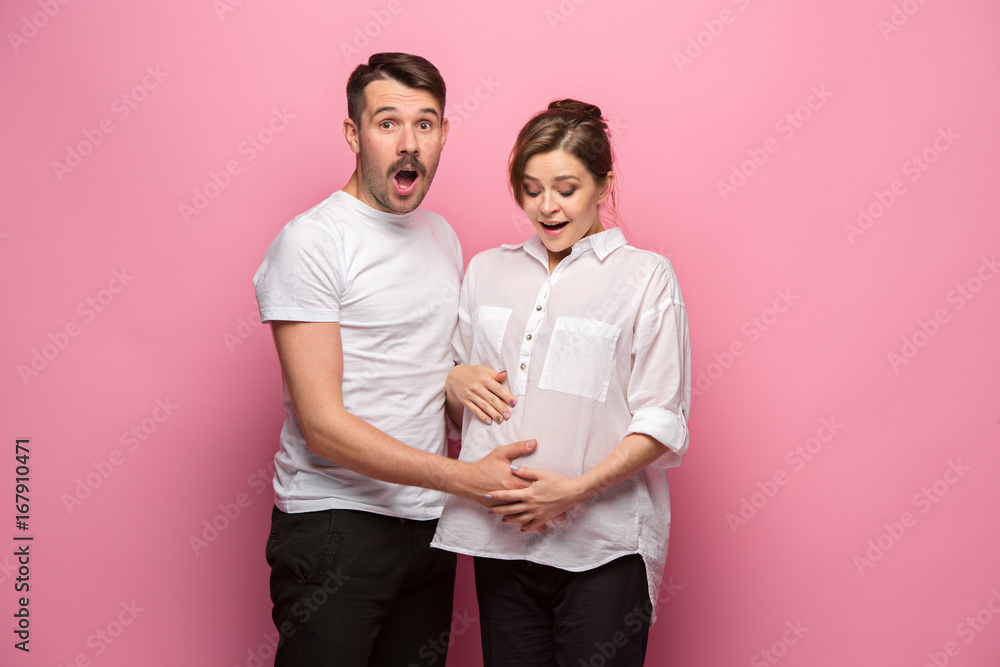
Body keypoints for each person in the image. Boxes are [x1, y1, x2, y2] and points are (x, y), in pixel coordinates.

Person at [252, 52, 538, 667]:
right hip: (336, 526)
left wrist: (457, 383)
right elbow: (323, 427)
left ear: (443, 133)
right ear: (353, 133)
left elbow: (424, 381)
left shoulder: (441, 236)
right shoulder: (312, 241)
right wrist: (463, 479)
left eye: (425, 124)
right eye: (387, 123)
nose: (409, 143)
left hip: (427, 526)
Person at [431, 99, 691, 666]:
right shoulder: (486, 271)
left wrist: (572, 492)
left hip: (603, 548)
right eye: (531, 190)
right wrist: (454, 380)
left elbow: (660, 420)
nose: (546, 207)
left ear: (604, 186)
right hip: (500, 540)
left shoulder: (645, 277)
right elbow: (455, 416)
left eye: (566, 189)